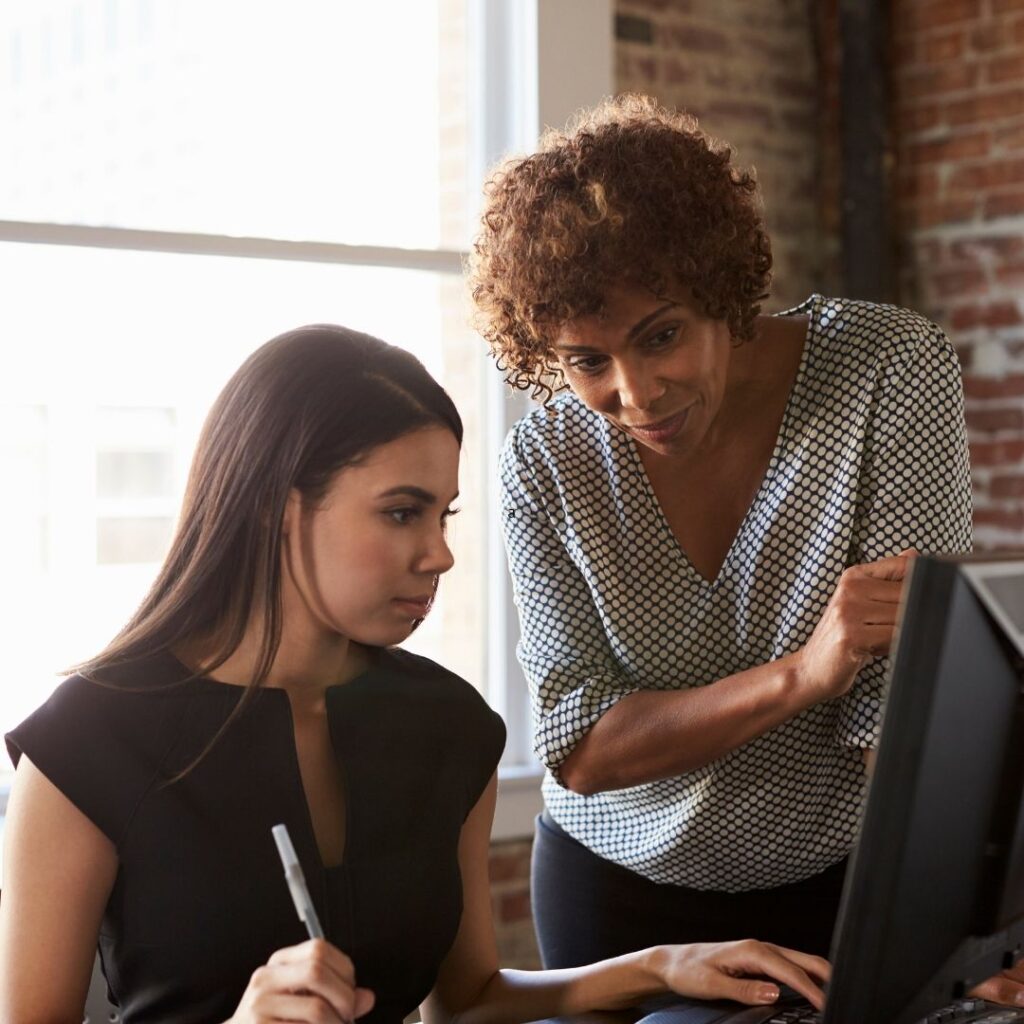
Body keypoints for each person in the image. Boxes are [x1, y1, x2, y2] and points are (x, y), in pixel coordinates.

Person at [0, 324, 830, 1024]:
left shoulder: (449, 726)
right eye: (402, 512)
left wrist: (661, 967)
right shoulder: (87, 741)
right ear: (274, 505)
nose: (439, 554)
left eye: (443, 515)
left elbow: (466, 1000)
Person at [468, 93, 1023, 1001]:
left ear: (722, 288)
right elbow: (581, 746)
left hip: (841, 883)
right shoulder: (544, 457)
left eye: (662, 336)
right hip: (615, 892)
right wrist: (805, 673)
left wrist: (970, 935)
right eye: (586, 361)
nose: (636, 394)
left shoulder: (887, 369)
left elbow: (900, 719)